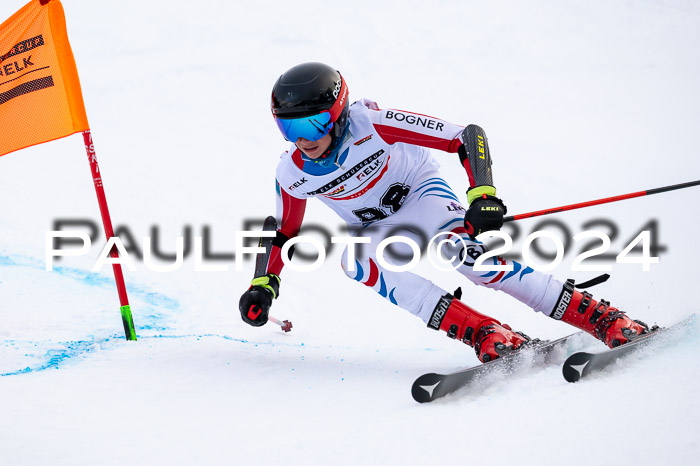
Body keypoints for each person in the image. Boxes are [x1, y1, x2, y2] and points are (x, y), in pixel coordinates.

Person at [238, 62, 650, 362]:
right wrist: (263, 284)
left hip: (423, 194)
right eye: (289, 129)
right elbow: (285, 232)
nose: (303, 140)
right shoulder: (292, 172)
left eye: (312, 125)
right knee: (354, 260)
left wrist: (483, 194)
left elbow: (465, 136)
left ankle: (599, 316)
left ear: (339, 112)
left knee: (469, 260)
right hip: (376, 227)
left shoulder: (373, 122)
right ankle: (482, 331)